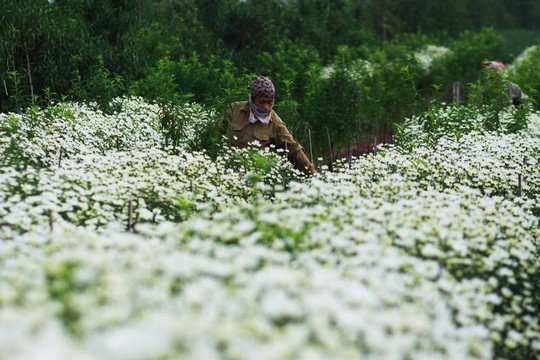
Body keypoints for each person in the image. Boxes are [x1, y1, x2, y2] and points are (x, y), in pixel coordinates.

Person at [224, 76, 316, 175]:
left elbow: (293, 149)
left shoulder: (275, 123)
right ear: (252, 98)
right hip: (226, 168)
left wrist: (313, 175)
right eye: (261, 102)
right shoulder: (233, 110)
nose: (266, 106)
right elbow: (216, 134)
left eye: (269, 102)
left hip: (254, 175)